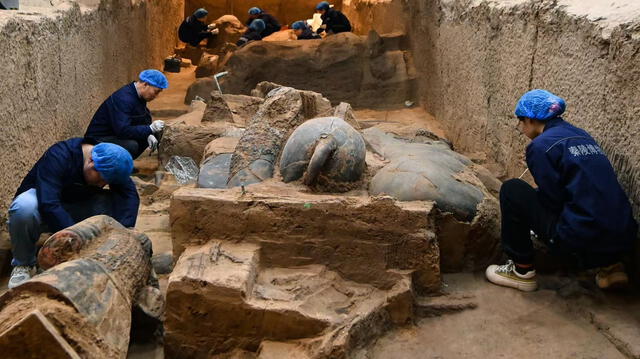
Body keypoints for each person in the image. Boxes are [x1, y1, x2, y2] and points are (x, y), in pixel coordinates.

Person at [485, 89, 637, 292]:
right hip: (624, 238)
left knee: (513, 190)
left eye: (521, 122)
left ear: (530, 119)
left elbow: (553, 200)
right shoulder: (581, 135)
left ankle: (522, 271)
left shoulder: (540, 146)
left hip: (580, 239)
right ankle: (611, 267)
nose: (521, 128)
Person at [7, 139, 139, 288]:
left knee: (113, 203)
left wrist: (125, 232)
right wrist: (76, 238)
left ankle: (99, 251)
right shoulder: (59, 155)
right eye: (101, 179)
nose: (102, 185)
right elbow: (49, 203)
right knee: (24, 208)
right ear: (91, 162)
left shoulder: (110, 160)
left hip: (74, 203)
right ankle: (23, 264)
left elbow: (129, 195)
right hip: (45, 202)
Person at [84, 69, 168, 159]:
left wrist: (148, 133)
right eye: (156, 92)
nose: (156, 96)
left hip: (113, 135)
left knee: (149, 135)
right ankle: (111, 168)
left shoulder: (138, 96)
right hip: (97, 140)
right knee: (132, 146)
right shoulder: (124, 99)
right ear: (145, 84)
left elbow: (142, 118)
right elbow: (123, 130)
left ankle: (123, 164)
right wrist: (149, 129)